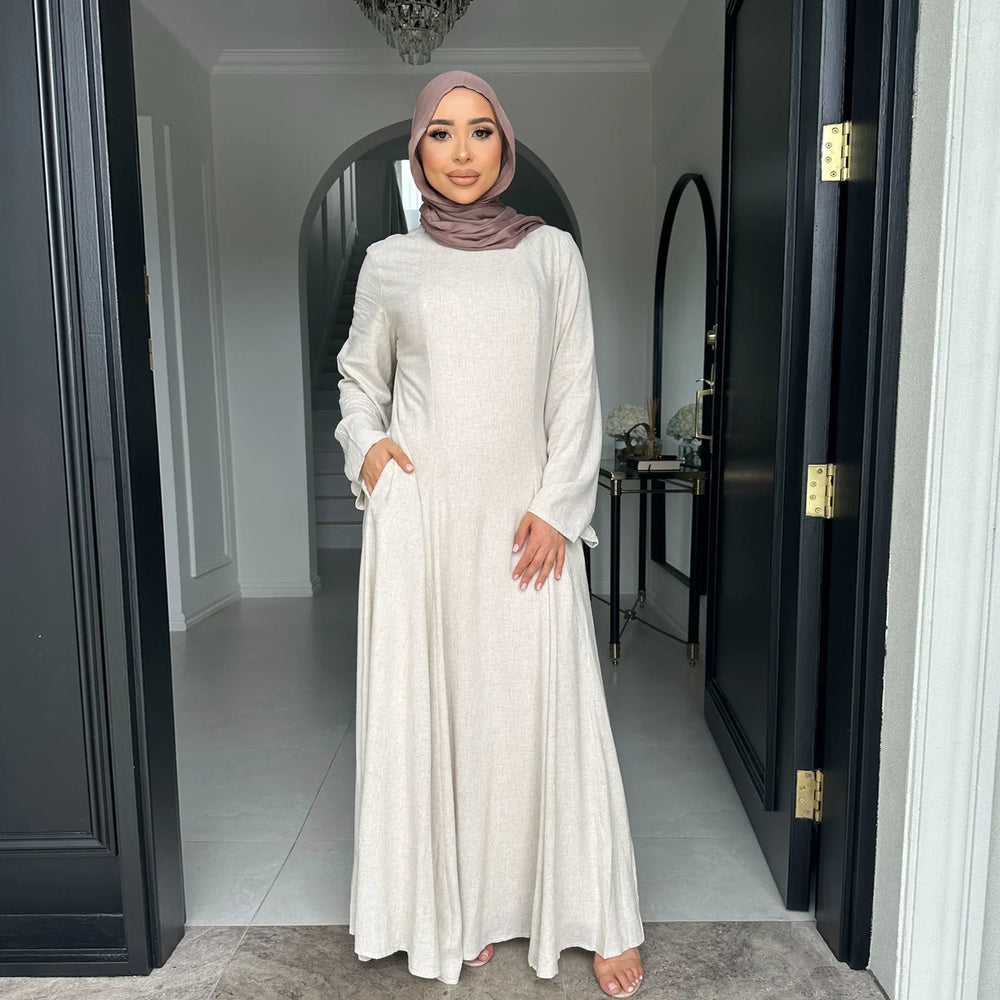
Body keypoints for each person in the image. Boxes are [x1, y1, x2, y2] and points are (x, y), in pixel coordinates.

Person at [334, 70, 645, 997]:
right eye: (441, 133)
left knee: (550, 709)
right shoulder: (390, 262)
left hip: (526, 529)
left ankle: (593, 911)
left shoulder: (550, 255)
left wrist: (559, 507)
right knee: (453, 712)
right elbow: (359, 378)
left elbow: (575, 389)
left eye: (479, 132)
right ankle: (459, 903)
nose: (462, 152)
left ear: (504, 146)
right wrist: (374, 451)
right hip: (427, 529)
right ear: (418, 149)